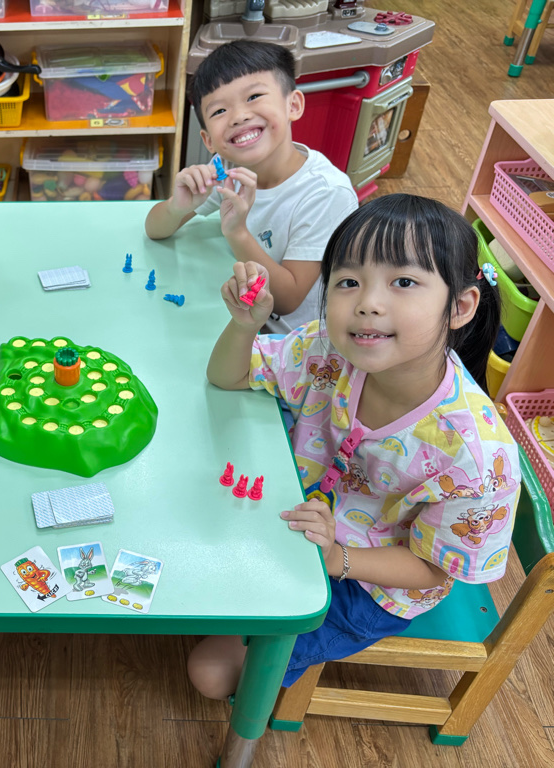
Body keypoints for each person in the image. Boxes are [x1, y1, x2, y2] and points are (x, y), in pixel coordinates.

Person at [190, 194, 520, 700]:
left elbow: (433, 569)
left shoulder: (474, 457)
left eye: (403, 282)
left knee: (211, 672)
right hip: (300, 519)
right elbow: (226, 376)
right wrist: (245, 325)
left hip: (372, 585)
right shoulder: (327, 347)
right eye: (348, 282)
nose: (367, 302)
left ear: (459, 307)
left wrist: (335, 557)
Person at [145, 40, 357, 333]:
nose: (239, 116)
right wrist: (177, 207)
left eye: (254, 96)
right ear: (208, 140)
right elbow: (154, 230)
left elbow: (287, 300)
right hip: (240, 313)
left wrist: (237, 232)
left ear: (293, 105)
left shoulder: (327, 193)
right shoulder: (227, 171)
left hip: (290, 341)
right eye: (219, 111)